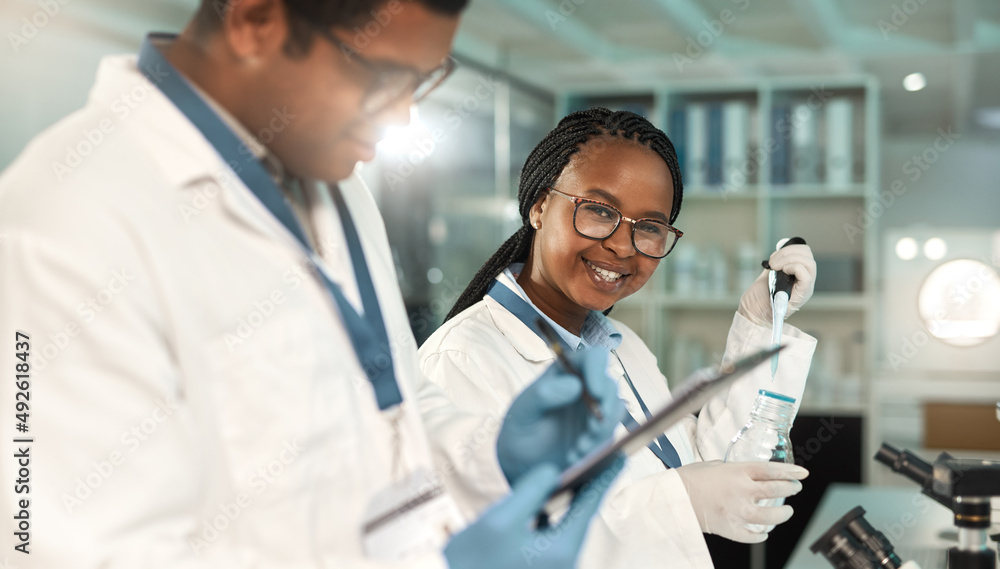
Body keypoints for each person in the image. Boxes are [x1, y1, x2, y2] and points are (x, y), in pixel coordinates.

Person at [0, 2, 626, 567]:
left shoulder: (336, 183)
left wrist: (493, 456)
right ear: (253, 19)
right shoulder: (61, 225)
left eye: (423, 79)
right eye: (383, 77)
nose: (402, 114)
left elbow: (383, 413)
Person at [419, 108, 819, 569]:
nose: (623, 246)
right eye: (598, 210)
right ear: (539, 206)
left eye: (649, 227)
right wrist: (678, 503)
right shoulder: (461, 361)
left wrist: (758, 324)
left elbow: (711, 466)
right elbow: (492, 550)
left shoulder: (623, 346)